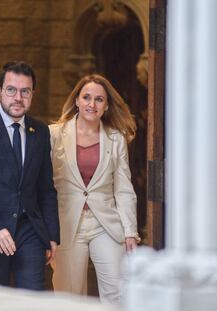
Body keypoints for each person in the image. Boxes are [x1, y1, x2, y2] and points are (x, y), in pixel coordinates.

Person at [0, 61, 59, 290]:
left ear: (32, 94)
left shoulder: (40, 131)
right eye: (11, 90)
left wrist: (52, 234)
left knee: (32, 301)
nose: (18, 97)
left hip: (30, 232)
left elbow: (46, 187)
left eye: (25, 91)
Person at [49, 74, 140, 304]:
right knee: (69, 297)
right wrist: (45, 232)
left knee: (118, 294)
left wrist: (130, 231)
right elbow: (45, 185)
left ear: (107, 106)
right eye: (86, 97)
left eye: (99, 99)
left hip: (105, 224)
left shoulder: (115, 138)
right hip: (67, 224)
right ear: (76, 101)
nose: (92, 104)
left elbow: (123, 188)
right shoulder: (54, 135)